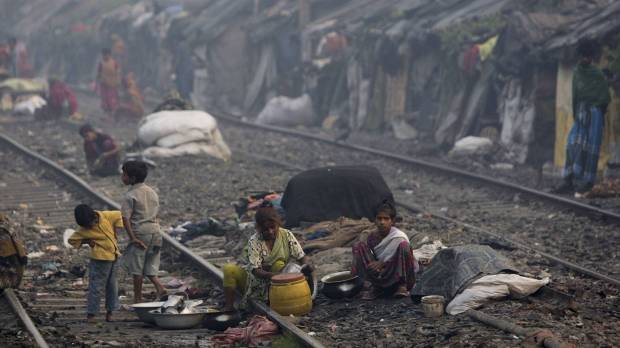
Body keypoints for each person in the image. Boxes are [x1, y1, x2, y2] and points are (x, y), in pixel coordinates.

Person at [222, 206, 313, 311]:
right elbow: (255, 270)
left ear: (278, 224)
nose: (270, 231)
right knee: (229, 269)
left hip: (278, 284)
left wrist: (306, 265)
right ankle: (229, 308)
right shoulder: (255, 241)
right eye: (265, 229)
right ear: (259, 228)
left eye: (273, 227)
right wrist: (275, 276)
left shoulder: (287, 235)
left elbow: (301, 256)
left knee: (278, 264)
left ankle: (278, 299)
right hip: (255, 282)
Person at [555, 40, 611, 197]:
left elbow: (604, 97)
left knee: (590, 148)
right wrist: (577, 114)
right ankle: (569, 179)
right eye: (582, 56)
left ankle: (585, 183)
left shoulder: (597, 74)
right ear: (579, 57)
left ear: (591, 57)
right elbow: (576, 96)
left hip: (595, 115)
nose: (585, 59)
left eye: (587, 56)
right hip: (580, 113)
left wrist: (596, 110)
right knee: (573, 144)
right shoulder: (577, 73)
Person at [120, 160, 166, 303]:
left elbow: (125, 219)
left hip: (141, 233)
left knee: (137, 269)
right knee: (150, 264)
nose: (122, 177)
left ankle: (138, 299)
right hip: (156, 232)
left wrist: (132, 238)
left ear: (132, 178)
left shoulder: (130, 195)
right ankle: (160, 287)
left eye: (124, 174)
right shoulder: (152, 192)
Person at [351, 201, 417, 300]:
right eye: (379, 218)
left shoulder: (399, 237)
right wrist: (377, 264)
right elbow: (373, 258)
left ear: (392, 221)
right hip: (380, 275)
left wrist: (383, 263)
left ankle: (402, 286)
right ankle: (373, 287)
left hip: (396, 275)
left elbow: (403, 259)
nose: (382, 222)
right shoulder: (372, 238)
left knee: (404, 246)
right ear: (375, 220)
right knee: (358, 246)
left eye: (386, 219)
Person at [68, 204, 122, 323]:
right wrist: (87, 241)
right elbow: (71, 240)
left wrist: (115, 228)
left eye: (90, 223)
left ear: (94, 216)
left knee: (112, 286)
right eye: (86, 226)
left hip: (114, 257)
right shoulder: (83, 230)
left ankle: (110, 313)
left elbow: (120, 215)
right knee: (96, 287)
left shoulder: (105, 216)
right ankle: (91, 314)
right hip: (99, 260)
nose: (89, 227)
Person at [0, 214, 27, 290]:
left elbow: (16, 242)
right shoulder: (7, 226)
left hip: (10, 256)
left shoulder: (4, 229)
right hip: (11, 256)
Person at [96, 48, 120, 116]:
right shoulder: (101, 63)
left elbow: (118, 73)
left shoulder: (114, 63)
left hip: (112, 83)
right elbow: (99, 72)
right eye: (103, 55)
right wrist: (97, 81)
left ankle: (112, 110)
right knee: (104, 97)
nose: (104, 56)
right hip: (103, 83)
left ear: (109, 55)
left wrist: (118, 81)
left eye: (106, 55)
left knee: (111, 97)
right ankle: (105, 110)